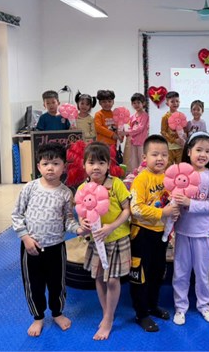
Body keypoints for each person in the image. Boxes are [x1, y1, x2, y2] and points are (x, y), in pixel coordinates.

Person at [11, 143, 84, 337]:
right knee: (33, 284)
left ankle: (57, 313)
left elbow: (68, 220)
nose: (50, 168)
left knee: (57, 283)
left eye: (55, 163)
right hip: (31, 247)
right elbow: (17, 215)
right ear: (39, 166)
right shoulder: (30, 188)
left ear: (64, 167)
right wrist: (25, 238)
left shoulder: (66, 193)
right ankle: (38, 317)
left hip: (56, 247)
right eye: (45, 164)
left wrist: (78, 228)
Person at [78, 142, 131, 340]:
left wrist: (111, 227)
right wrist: (82, 222)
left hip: (117, 238)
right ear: (84, 165)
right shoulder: (83, 188)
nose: (96, 167)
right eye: (91, 163)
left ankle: (108, 320)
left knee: (113, 279)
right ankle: (107, 312)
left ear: (108, 165)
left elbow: (127, 210)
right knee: (99, 277)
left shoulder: (116, 184)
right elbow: (81, 211)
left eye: (101, 163)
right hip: (96, 240)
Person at [129, 135, 180, 332]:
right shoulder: (141, 179)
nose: (160, 158)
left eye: (164, 155)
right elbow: (136, 208)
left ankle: (152, 305)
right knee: (140, 275)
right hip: (142, 234)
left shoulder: (169, 178)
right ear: (145, 157)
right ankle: (141, 314)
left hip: (161, 234)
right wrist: (162, 213)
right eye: (155, 154)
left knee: (157, 272)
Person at [172, 132, 209, 326]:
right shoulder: (180, 175)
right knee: (180, 271)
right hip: (183, 231)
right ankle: (180, 307)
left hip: (204, 232)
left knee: (202, 272)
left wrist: (190, 203)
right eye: (199, 150)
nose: (203, 154)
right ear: (189, 151)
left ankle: (204, 305)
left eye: (207, 151)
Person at [125, 92, 149, 173]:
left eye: (138, 102)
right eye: (134, 103)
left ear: (143, 103)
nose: (136, 105)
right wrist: (125, 132)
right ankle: (134, 175)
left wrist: (127, 132)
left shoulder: (145, 116)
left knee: (142, 160)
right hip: (133, 142)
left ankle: (142, 175)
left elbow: (140, 128)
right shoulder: (132, 116)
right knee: (133, 160)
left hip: (142, 142)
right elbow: (130, 127)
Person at [160, 91, 185, 166]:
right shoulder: (165, 117)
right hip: (170, 147)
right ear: (167, 103)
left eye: (177, 101)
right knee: (168, 166)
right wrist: (174, 140)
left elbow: (184, 129)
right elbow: (163, 132)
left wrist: (184, 136)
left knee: (180, 166)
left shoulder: (181, 116)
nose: (175, 103)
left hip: (180, 147)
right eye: (172, 101)